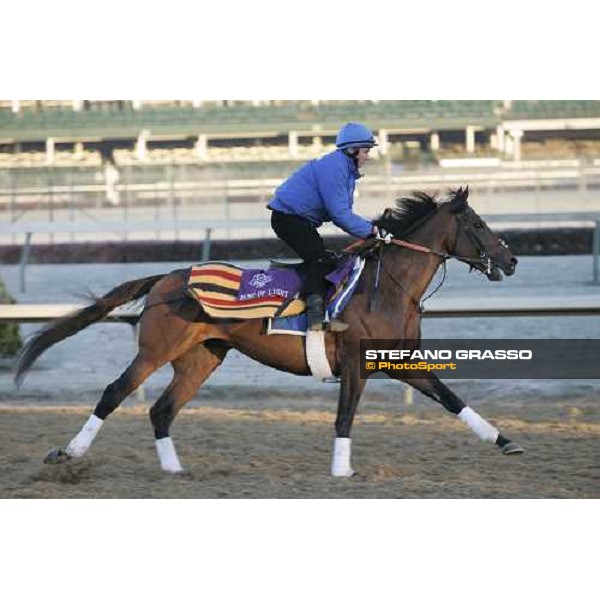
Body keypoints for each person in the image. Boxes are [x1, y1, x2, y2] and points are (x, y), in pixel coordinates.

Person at [268, 122, 381, 332]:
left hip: (297, 219)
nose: (368, 156)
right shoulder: (337, 168)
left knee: (326, 259)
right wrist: (372, 230)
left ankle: (312, 300)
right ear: (352, 150)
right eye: (366, 151)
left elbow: (342, 212)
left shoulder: (345, 168)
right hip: (289, 219)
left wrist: (370, 228)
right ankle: (315, 319)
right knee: (320, 260)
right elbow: (340, 216)